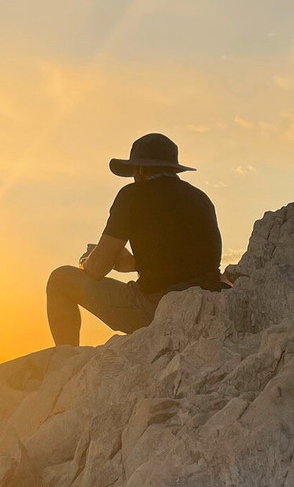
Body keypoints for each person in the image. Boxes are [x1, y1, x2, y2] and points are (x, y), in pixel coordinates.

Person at [46, 133, 223, 347]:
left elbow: (97, 269)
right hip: (207, 301)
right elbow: (179, 262)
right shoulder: (200, 198)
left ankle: (65, 358)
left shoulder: (132, 196)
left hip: (159, 308)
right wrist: (129, 262)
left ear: (139, 170)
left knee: (60, 280)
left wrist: (88, 259)